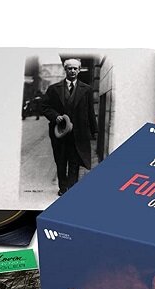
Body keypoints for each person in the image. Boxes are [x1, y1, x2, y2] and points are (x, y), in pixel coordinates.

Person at [41, 58, 97, 196]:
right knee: (60, 161)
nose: (72, 71)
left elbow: (90, 112)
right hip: (59, 133)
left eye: (75, 68)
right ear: (65, 70)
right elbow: (44, 107)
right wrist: (55, 116)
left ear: (79, 70)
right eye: (69, 68)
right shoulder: (54, 89)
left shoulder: (86, 89)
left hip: (78, 133)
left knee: (74, 162)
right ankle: (62, 188)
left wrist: (94, 131)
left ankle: (71, 189)